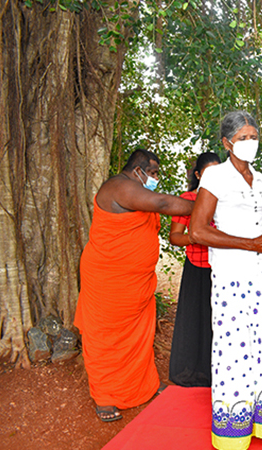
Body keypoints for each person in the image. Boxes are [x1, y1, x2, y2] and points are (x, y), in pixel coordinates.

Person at [189, 111, 262, 449]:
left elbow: (261, 226)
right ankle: (234, 432)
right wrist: (251, 244)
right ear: (226, 143)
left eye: (254, 137)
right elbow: (197, 229)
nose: (250, 143)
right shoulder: (215, 178)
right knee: (235, 349)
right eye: (243, 138)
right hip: (233, 275)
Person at [75, 149, 194, 422]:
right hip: (108, 281)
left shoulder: (135, 191)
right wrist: (207, 203)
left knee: (139, 337)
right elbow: (164, 205)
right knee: (105, 338)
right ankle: (104, 398)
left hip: (136, 285)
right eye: (152, 173)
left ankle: (146, 387)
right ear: (138, 170)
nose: (154, 179)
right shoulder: (120, 186)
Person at [168, 152, 221, 387]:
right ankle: (190, 371)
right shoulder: (187, 199)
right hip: (196, 268)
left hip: (223, 268)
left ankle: (217, 372)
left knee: (218, 321)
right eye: (208, 173)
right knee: (193, 320)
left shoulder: (227, 198)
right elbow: (175, 237)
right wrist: (197, 237)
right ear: (198, 175)